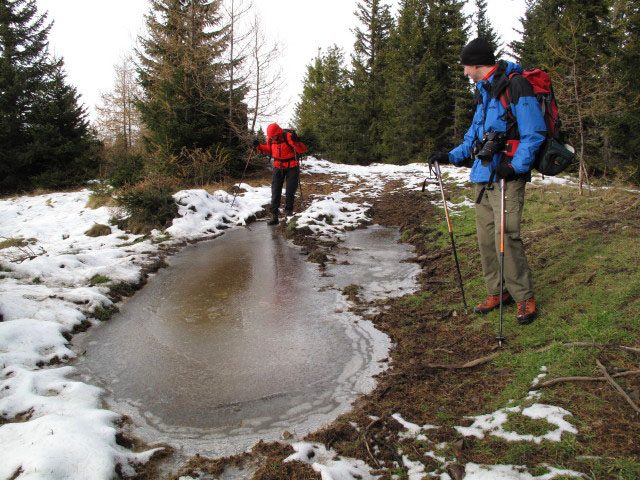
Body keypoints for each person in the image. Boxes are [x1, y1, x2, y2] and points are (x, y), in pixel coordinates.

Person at [429, 38, 546, 325]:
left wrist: (515, 167)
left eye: (466, 67)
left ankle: (523, 297)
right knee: (485, 239)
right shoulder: (483, 92)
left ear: (479, 64)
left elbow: (535, 132)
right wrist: (449, 156)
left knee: (506, 237)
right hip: (483, 175)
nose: (465, 73)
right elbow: (474, 136)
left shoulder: (515, 86)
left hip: (507, 175)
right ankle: (497, 292)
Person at [254, 123, 307, 225]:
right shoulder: (270, 139)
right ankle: (274, 216)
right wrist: (258, 147)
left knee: (290, 191)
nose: (272, 138)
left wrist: (296, 142)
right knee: (275, 191)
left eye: (274, 136)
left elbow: (302, 149)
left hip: (292, 166)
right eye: (271, 137)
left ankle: (288, 214)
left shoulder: (289, 137)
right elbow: (269, 150)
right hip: (278, 166)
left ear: (278, 133)